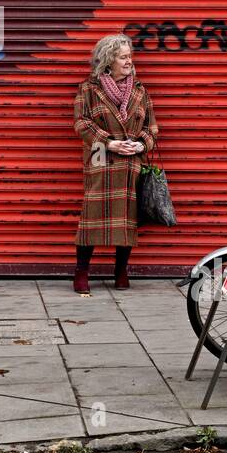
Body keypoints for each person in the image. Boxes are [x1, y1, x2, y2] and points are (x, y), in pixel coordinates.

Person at [72, 33, 159, 294]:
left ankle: (121, 270)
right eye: (123, 56)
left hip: (131, 161)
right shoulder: (89, 89)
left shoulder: (140, 90)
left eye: (129, 56)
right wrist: (108, 142)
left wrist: (142, 143)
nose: (129, 61)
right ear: (109, 60)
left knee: (126, 219)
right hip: (101, 157)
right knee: (91, 217)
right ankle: (81, 272)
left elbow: (152, 127)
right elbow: (81, 123)